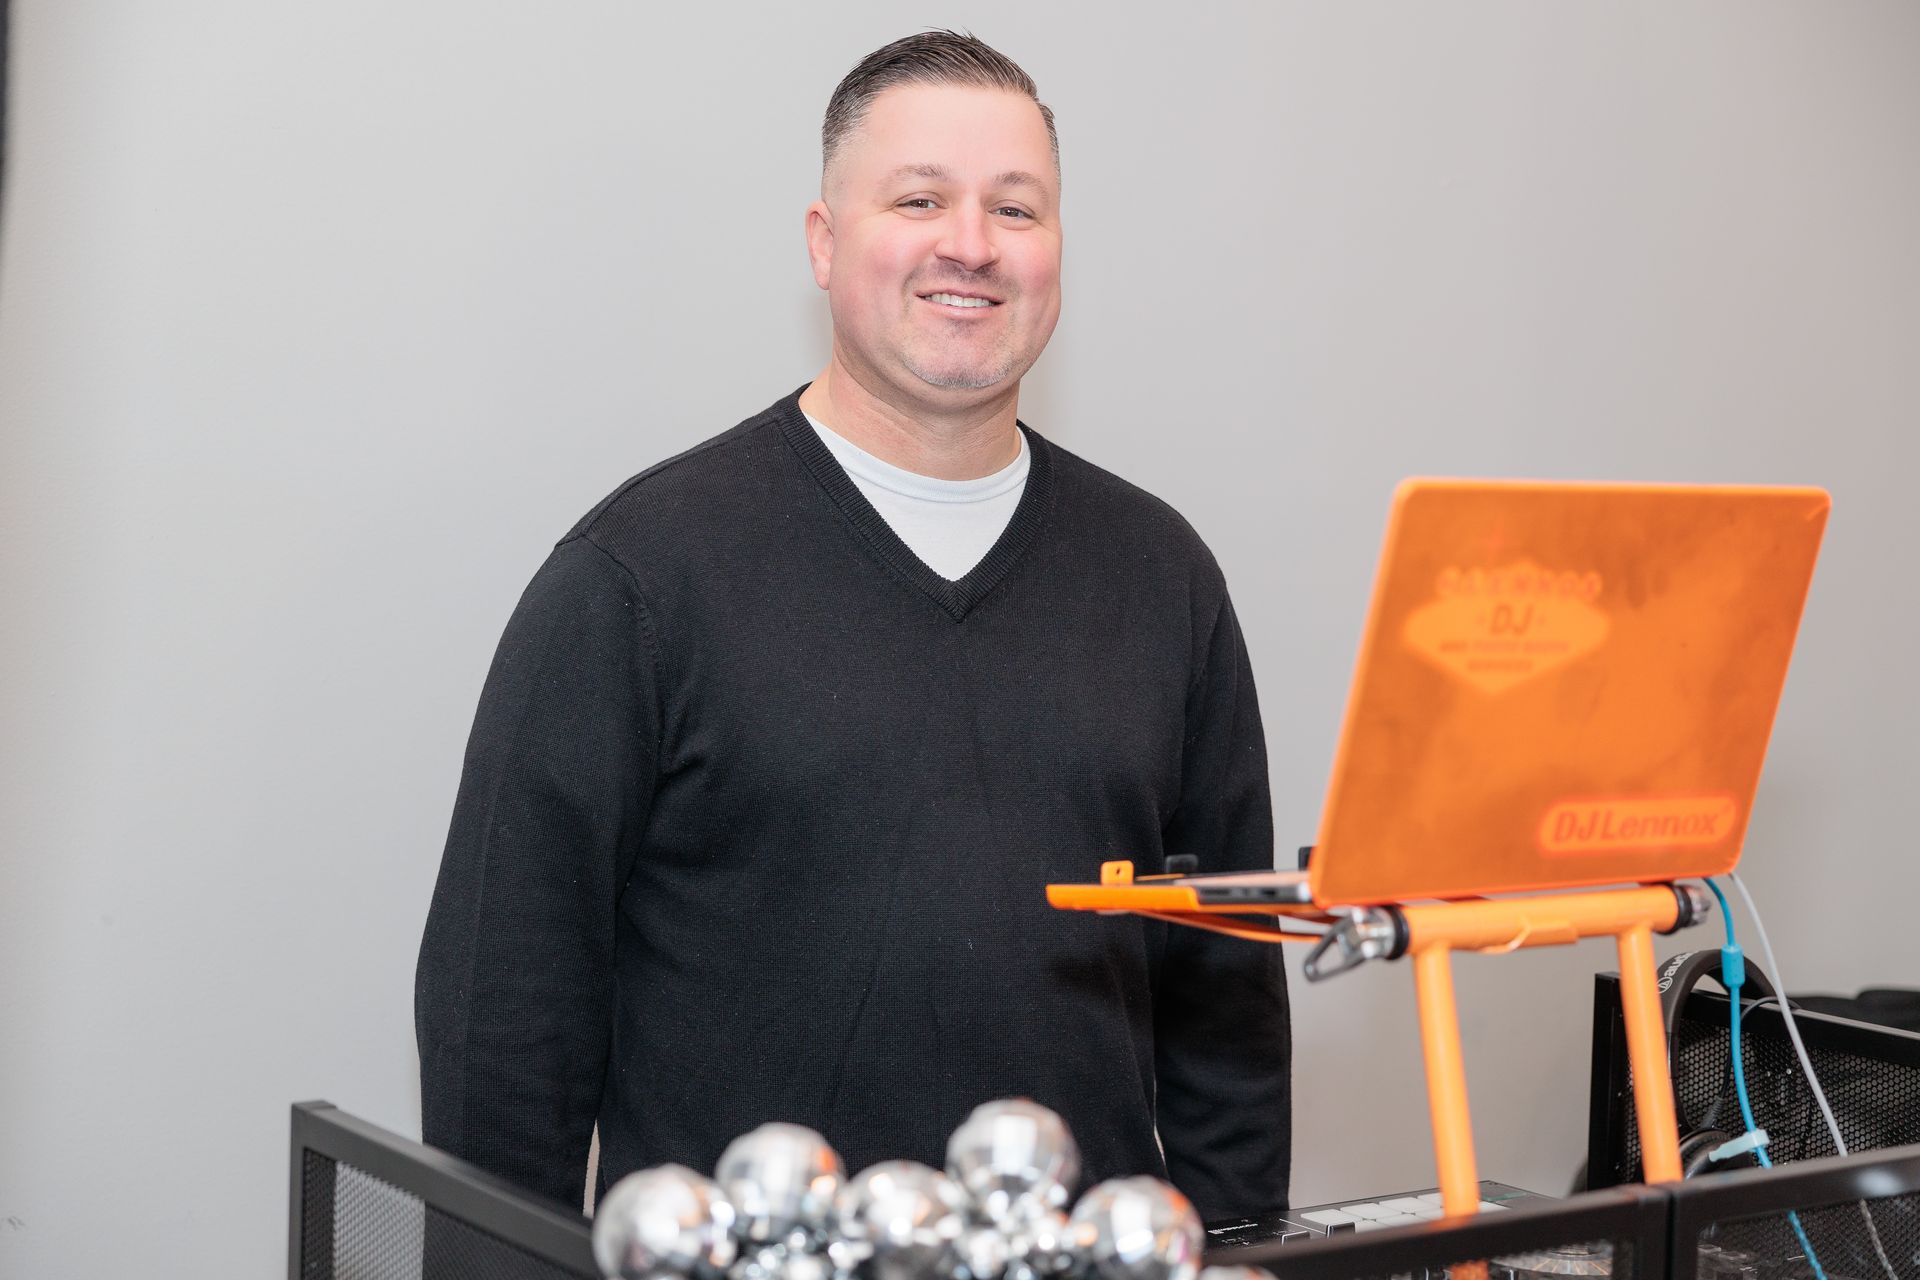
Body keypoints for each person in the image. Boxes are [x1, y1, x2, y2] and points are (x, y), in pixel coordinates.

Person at [415, 30, 1291, 1224]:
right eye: (919, 198)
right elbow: (503, 1019)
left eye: (1016, 209)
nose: (971, 245)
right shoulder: (639, 577)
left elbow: (1227, 1009)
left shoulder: (1162, 577)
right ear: (825, 244)